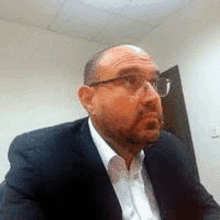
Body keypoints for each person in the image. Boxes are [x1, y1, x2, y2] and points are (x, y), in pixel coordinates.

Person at [0, 45, 219, 220]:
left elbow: (205, 209)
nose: (153, 97)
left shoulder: (170, 147)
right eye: (129, 81)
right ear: (88, 99)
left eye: (154, 82)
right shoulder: (40, 156)